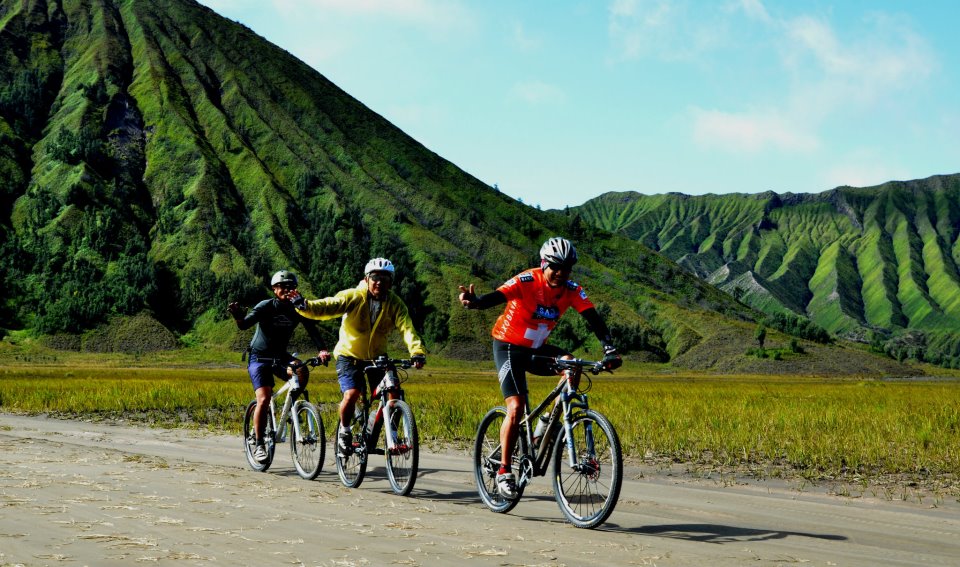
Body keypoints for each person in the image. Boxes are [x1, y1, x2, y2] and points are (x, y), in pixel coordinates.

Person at [457, 237, 622, 500]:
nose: (560, 273)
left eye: (566, 268)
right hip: (508, 346)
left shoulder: (571, 289)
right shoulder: (527, 280)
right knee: (516, 407)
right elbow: (498, 297)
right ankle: (503, 471)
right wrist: (475, 302)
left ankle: (547, 425)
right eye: (555, 267)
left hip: (535, 348)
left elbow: (594, 319)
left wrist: (609, 350)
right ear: (544, 263)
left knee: (572, 365)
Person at [294, 258, 426, 458]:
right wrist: (304, 306)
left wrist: (416, 351)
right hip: (349, 356)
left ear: (391, 282)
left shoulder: (395, 303)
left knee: (394, 394)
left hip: (377, 358)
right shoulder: (353, 296)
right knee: (352, 393)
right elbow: (329, 306)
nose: (379, 282)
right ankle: (345, 433)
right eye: (375, 277)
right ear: (367, 278)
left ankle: (393, 435)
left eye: (384, 278)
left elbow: (407, 328)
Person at [228, 270, 330, 463]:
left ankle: (292, 408)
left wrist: (322, 350)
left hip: (280, 356)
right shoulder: (266, 306)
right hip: (259, 358)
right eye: (282, 287)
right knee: (264, 398)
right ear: (274, 289)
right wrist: (239, 317)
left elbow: (312, 330)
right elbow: (244, 325)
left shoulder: (298, 307)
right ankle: (259, 444)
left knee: (301, 370)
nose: (286, 289)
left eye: (291, 286)